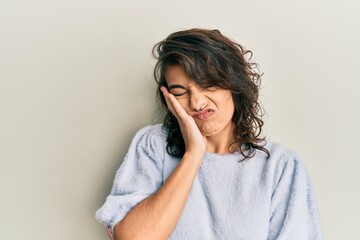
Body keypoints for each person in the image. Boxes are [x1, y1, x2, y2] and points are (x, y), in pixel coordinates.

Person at [95, 28, 322, 240]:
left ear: (234, 83)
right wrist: (193, 154)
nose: (197, 102)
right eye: (180, 91)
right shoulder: (153, 145)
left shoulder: (280, 166)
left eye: (207, 85)